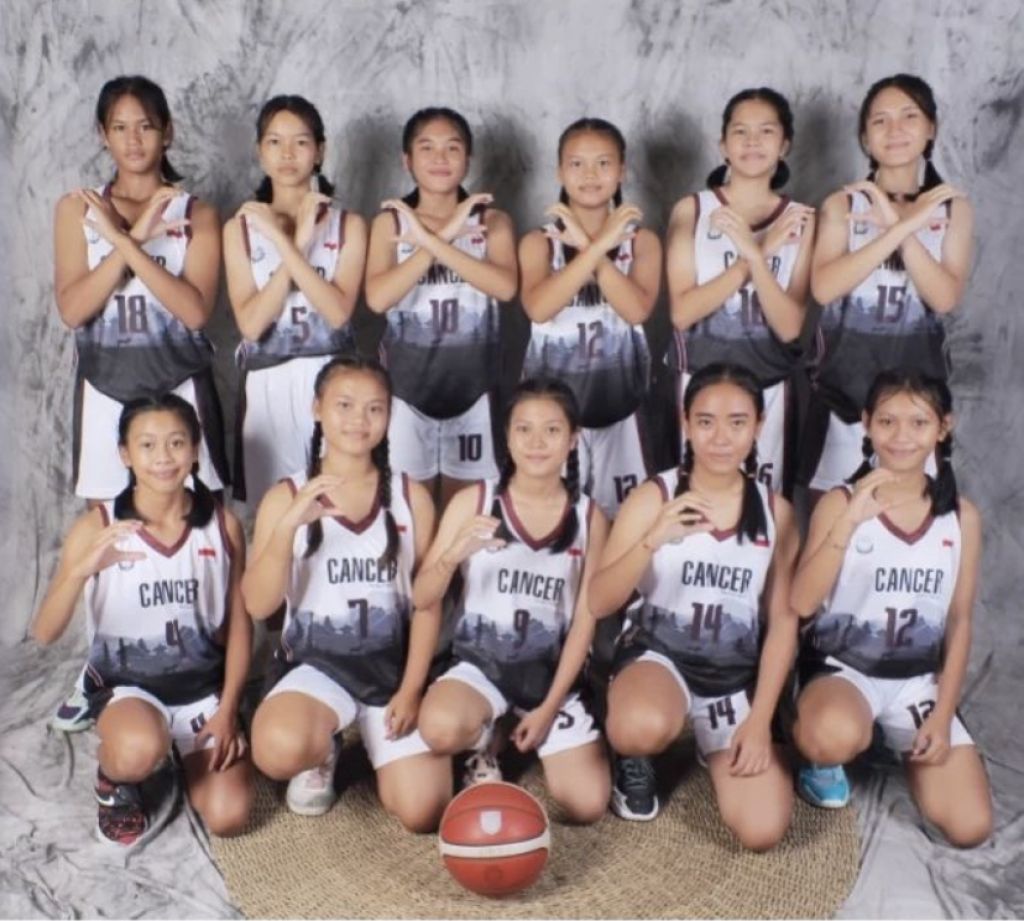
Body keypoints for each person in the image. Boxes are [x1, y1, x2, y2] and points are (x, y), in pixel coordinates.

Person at [589, 363, 800, 850]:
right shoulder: (656, 495)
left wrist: (760, 719)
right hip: (660, 658)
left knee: (762, 830)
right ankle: (633, 756)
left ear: (759, 425)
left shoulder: (776, 512)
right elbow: (599, 601)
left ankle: (715, 738)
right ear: (686, 423)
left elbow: (783, 624)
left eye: (737, 422)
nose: (720, 437)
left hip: (731, 677)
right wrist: (652, 539)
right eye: (706, 421)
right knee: (639, 727)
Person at [32, 394, 252, 847]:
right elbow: (44, 632)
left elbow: (238, 625)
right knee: (138, 748)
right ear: (125, 454)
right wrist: (79, 571)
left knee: (229, 815)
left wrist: (229, 708)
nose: (163, 457)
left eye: (176, 442)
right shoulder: (98, 526)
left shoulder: (222, 526)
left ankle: (182, 746)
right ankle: (115, 782)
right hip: (128, 688)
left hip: (201, 691)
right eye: (147, 445)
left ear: (195, 449)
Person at [243, 356, 451, 832]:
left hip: (390, 672)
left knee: (424, 810)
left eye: (375, 408)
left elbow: (428, 603)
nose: (359, 419)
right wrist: (288, 527)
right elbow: (258, 604)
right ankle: (323, 746)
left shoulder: (410, 497)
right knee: (276, 750)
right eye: (345, 405)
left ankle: (378, 737)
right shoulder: (286, 495)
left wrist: (412, 688)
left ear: (389, 415)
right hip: (316, 668)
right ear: (317, 409)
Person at [791, 371, 992, 847]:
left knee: (970, 827)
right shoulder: (840, 501)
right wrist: (848, 523)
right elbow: (800, 602)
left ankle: (896, 735)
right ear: (866, 424)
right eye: (887, 421)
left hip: (916, 681)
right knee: (833, 734)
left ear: (943, 427)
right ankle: (820, 756)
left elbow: (960, 620)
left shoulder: (961, 517)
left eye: (918, 422)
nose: (902, 436)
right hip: (845, 669)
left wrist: (942, 715)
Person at [413, 378, 611, 824]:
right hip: (480, 668)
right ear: (506, 436)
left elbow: (585, 623)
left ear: (573, 439)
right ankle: (486, 740)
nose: (536, 443)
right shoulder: (475, 501)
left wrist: (549, 708)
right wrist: (452, 557)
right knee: (440, 728)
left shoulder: (589, 517)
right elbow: (422, 596)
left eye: (552, 430)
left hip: (549, 677)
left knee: (587, 804)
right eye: (524, 429)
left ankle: (513, 728)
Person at [54, 75, 228, 503]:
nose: (133, 140)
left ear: (167, 132)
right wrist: (132, 240)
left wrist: (125, 243)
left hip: (180, 385)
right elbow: (73, 310)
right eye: (119, 128)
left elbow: (195, 313)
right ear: (103, 134)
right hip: (105, 385)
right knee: (108, 528)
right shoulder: (79, 208)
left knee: (198, 521)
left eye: (146, 126)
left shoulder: (197, 214)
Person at [802, 74, 973, 494]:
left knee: (907, 523)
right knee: (831, 523)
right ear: (865, 136)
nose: (894, 129)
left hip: (915, 409)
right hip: (842, 400)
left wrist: (901, 227)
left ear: (931, 128)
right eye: (880, 120)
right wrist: (899, 228)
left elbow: (944, 297)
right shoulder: (843, 203)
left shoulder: (951, 207)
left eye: (909, 116)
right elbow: (824, 288)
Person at [365, 107, 517, 509]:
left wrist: (433, 241)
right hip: (406, 392)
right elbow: (378, 298)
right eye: (426, 147)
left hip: (475, 391)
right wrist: (444, 235)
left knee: (464, 516)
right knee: (408, 514)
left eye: (452, 147)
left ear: (468, 158)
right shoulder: (391, 224)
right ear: (407, 160)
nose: (440, 158)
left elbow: (504, 288)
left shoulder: (492, 220)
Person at [666, 88, 814, 496]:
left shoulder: (800, 219)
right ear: (723, 146)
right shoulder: (693, 209)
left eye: (766, 131)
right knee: (693, 502)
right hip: (696, 381)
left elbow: (790, 326)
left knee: (763, 507)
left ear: (784, 145)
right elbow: (682, 313)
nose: (752, 141)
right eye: (740, 131)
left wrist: (754, 256)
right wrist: (759, 252)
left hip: (770, 388)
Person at [224, 94, 366, 506]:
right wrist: (296, 241)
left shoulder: (349, 225)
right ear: (260, 151)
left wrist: (289, 242)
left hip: (332, 381)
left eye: (301, 142)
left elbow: (337, 313)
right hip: (267, 384)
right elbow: (252, 325)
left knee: (337, 508)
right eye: (275, 142)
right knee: (275, 512)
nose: (287, 154)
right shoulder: (241, 228)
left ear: (320, 151)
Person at [518, 117, 662, 518]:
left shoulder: (642, 242)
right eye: (577, 164)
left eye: (603, 163)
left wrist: (587, 245)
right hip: (551, 416)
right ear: (559, 172)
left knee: (628, 522)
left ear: (622, 171)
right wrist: (594, 247)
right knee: (555, 522)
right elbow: (540, 307)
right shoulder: (539, 243)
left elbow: (635, 310)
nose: (590, 174)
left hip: (623, 409)